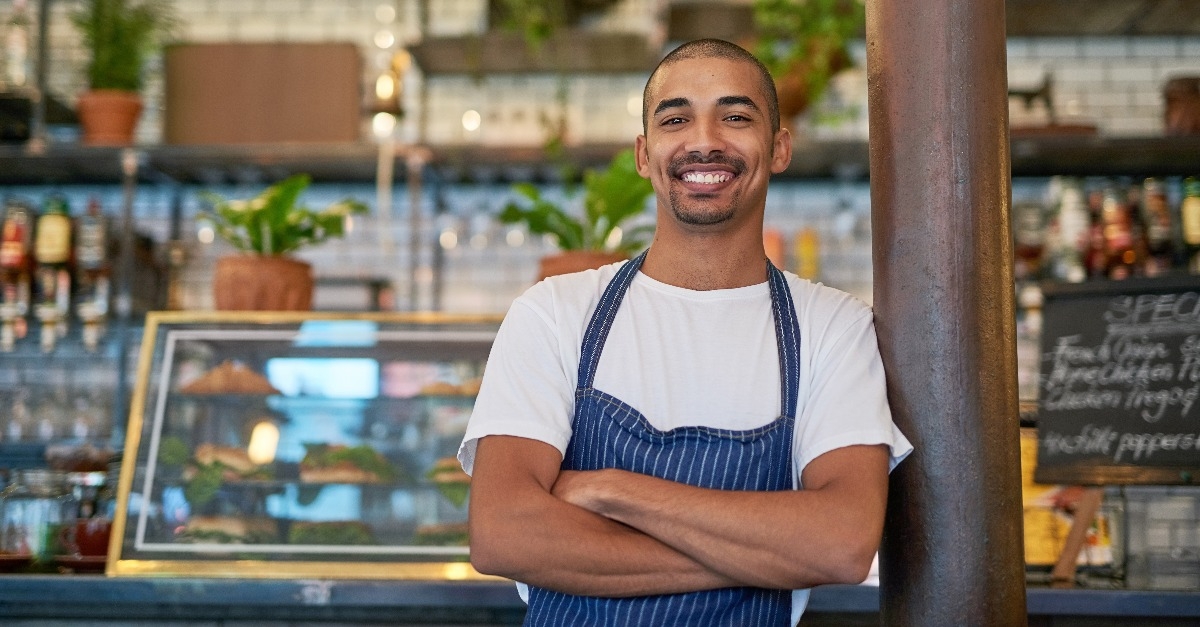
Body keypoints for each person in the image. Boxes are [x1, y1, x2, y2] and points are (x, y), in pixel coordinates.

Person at [457, 38, 912, 626]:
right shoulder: (556, 312)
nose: (704, 141)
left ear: (779, 148)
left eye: (736, 117)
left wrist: (614, 490)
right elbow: (502, 534)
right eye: (676, 119)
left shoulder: (831, 326)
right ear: (645, 154)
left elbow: (842, 543)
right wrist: (767, 552)